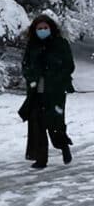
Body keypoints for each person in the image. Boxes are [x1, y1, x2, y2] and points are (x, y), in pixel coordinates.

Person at [20, 14, 74, 169]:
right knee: (36, 124)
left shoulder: (60, 44)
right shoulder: (32, 45)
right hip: (36, 91)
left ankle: (63, 146)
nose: (42, 31)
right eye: (39, 28)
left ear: (51, 28)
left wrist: (56, 76)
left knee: (55, 123)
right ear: (34, 30)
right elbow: (26, 65)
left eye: (45, 28)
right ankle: (40, 158)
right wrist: (32, 77)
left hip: (55, 91)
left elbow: (69, 65)